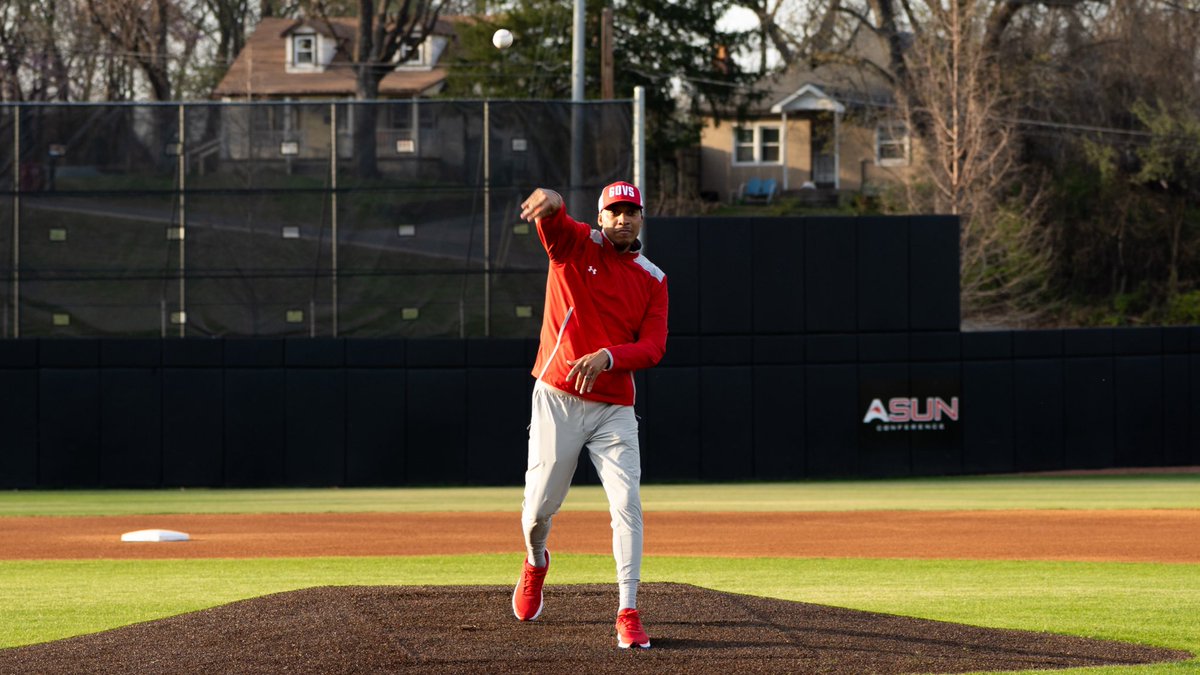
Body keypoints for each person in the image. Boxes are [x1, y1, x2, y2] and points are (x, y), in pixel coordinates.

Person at [511, 181, 668, 650]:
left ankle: (628, 609)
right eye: (614, 211)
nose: (623, 218)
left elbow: (653, 347)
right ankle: (536, 562)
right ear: (600, 218)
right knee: (539, 509)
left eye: (631, 211)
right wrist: (551, 199)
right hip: (558, 396)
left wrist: (609, 356)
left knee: (627, 505)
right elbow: (553, 217)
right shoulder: (575, 245)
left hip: (614, 407)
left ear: (641, 218)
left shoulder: (653, 278)